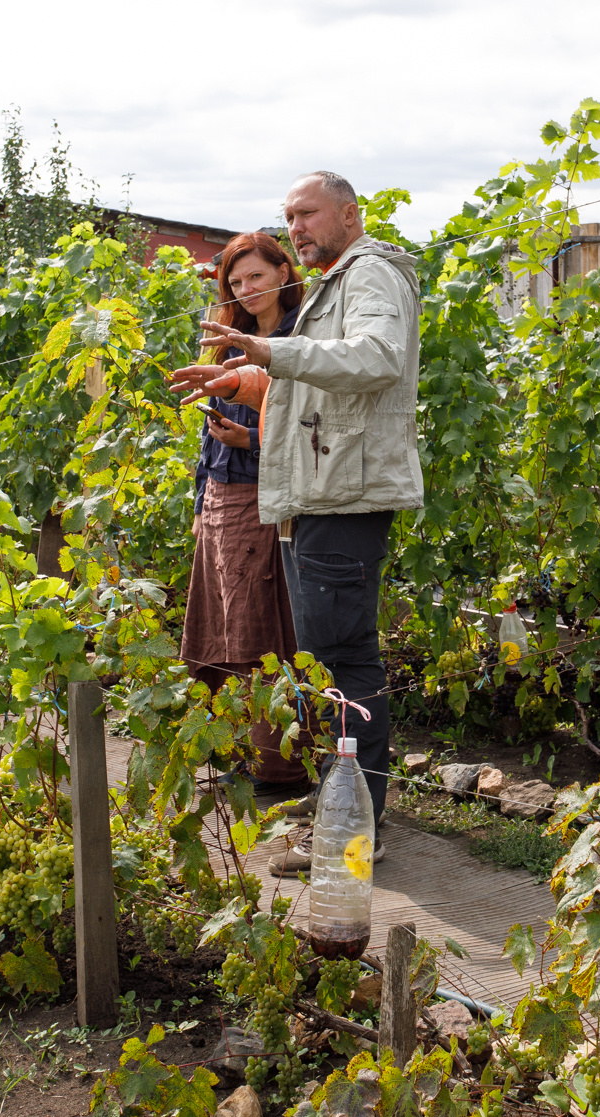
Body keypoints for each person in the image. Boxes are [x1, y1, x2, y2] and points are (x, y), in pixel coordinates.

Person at [169, 171, 422, 874]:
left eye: (307, 213)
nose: (297, 226)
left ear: (349, 213)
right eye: (289, 216)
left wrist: (270, 354)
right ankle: (343, 809)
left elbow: (376, 359)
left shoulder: (369, 273)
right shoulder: (340, 282)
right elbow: (317, 387)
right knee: (328, 660)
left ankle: (355, 834)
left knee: (345, 663)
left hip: (346, 495)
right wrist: (242, 381)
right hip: (323, 493)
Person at [180, 232, 311, 792]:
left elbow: (308, 431)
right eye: (236, 282)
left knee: (259, 629)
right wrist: (199, 500)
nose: (246, 288)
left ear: (283, 271)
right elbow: (208, 437)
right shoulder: (227, 343)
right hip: (220, 497)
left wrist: (251, 440)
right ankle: (239, 754)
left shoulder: (299, 338)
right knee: (222, 629)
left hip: (267, 499)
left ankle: (277, 766)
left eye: (256, 276)